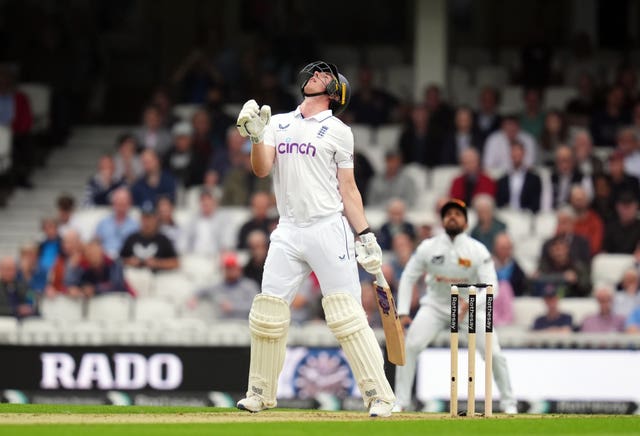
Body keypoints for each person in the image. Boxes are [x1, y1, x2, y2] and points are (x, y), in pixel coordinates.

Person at [234, 60, 396, 417]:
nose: (316, 76)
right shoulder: (277, 122)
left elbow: (348, 188)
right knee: (267, 311)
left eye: (326, 76)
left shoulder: (338, 130)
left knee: (346, 315)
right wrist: (257, 137)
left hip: (327, 227)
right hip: (288, 229)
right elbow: (261, 169)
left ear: (336, 94)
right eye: (316, 73)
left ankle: (379, 396)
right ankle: (259, 392)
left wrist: (365, 233)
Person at [393, 199, 517, 413]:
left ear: (466, 223)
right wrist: (403, 311)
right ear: (442, 221)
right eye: (448, 214)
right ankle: (401, 402)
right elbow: (408, 277)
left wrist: (471, 303)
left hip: (468, 307)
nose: (452, 217)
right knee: (410, 346)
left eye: (458, 214)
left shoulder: (477, 250)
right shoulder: (428, 247)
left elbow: (492, 287)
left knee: (494, 353)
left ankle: (509, 403)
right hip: (435, 305)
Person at [191, 252, 259, 319]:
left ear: (239, 269)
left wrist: (234, 307)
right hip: (221, 325)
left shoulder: (249, 286)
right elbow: (203, 290)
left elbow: (257, 306)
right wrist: (194, 298)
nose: (230, 271)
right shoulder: (218, 287)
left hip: (243, 324)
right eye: (228, 268)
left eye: (233, 268)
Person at [120, 204, 179, 273]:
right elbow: (119, 260)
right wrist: (129, 261)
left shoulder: (163, 239)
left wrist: (157, 263)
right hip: (134, 276)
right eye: (144, 218)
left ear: (156, 219)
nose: (147, 222)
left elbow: (175, 263)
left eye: (149, 218)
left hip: (158, 278)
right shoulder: (131, 238)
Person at [495, 141, 542, 212]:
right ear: (510, 155)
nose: (516, 154)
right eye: (514, 151)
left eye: (518, 151)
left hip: (526, 216)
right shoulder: (502, 180)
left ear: (523, 153)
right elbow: (499, 203)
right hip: (505, 215)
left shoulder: (534, 179)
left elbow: (536, 205)